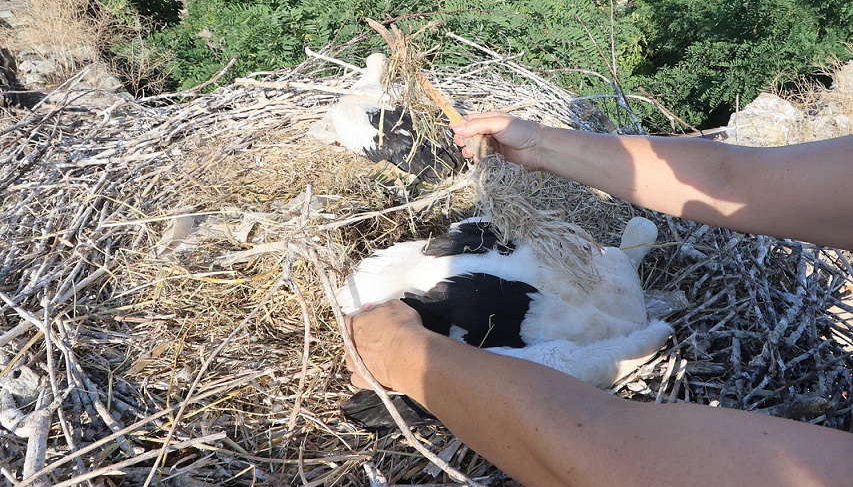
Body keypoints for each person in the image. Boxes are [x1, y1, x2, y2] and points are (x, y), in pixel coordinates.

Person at [344, 113, 853, 487]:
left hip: (412, 314)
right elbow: (733, 179)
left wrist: (402, 355)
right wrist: (539, 144)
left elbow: (599, 459)